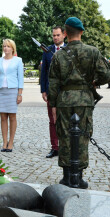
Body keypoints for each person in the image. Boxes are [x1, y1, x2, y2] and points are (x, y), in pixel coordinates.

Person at [48, 17, 110, 189]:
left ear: (66, 33)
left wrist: (53, 105)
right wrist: (94, 82)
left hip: (64, 101)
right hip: (84, 100)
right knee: (82, 136)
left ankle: (67, 177)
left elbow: (52, 83)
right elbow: (107, 75)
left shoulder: (58, 55)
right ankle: (79, 177)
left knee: (65, 136)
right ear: (82, 32)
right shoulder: (93, 52)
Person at [0, 39, 24, 152]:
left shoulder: (18, 61)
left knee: (12, 116)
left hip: (13, 90)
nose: (6, 48)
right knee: (3, 117)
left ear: (12, 48)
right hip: (1, 91)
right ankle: (4, 142)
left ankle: (11, 142)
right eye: (4, 46)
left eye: (8, 46)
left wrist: (20, 94)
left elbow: (20, 78)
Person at [41, 26, 66, 158]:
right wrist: (43, 90)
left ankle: (65, 147)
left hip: (66, 92)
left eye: (58, 35)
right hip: (51, 91)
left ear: (64, 35)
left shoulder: (69, 49)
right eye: (54, 35)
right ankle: (55, 147)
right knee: (53, 120)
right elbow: (43, 71)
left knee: (65, 120)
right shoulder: (48, 50)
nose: (55, 37)